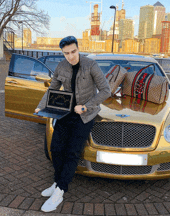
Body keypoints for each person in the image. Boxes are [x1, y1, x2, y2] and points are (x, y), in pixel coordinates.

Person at [34, 36, 111, 212]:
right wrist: (40, 106)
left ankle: (60, 191)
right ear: (63, 53)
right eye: (67, 53)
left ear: (78, 49)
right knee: (55, 148)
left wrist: (86, 107)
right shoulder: (61, 66)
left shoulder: (90, 65)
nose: (71, 56)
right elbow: (52, 89)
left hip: (85, 115)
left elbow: (106, 90)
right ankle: (57, 182)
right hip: (66, 112)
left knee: (73, 152)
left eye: (73, 51)